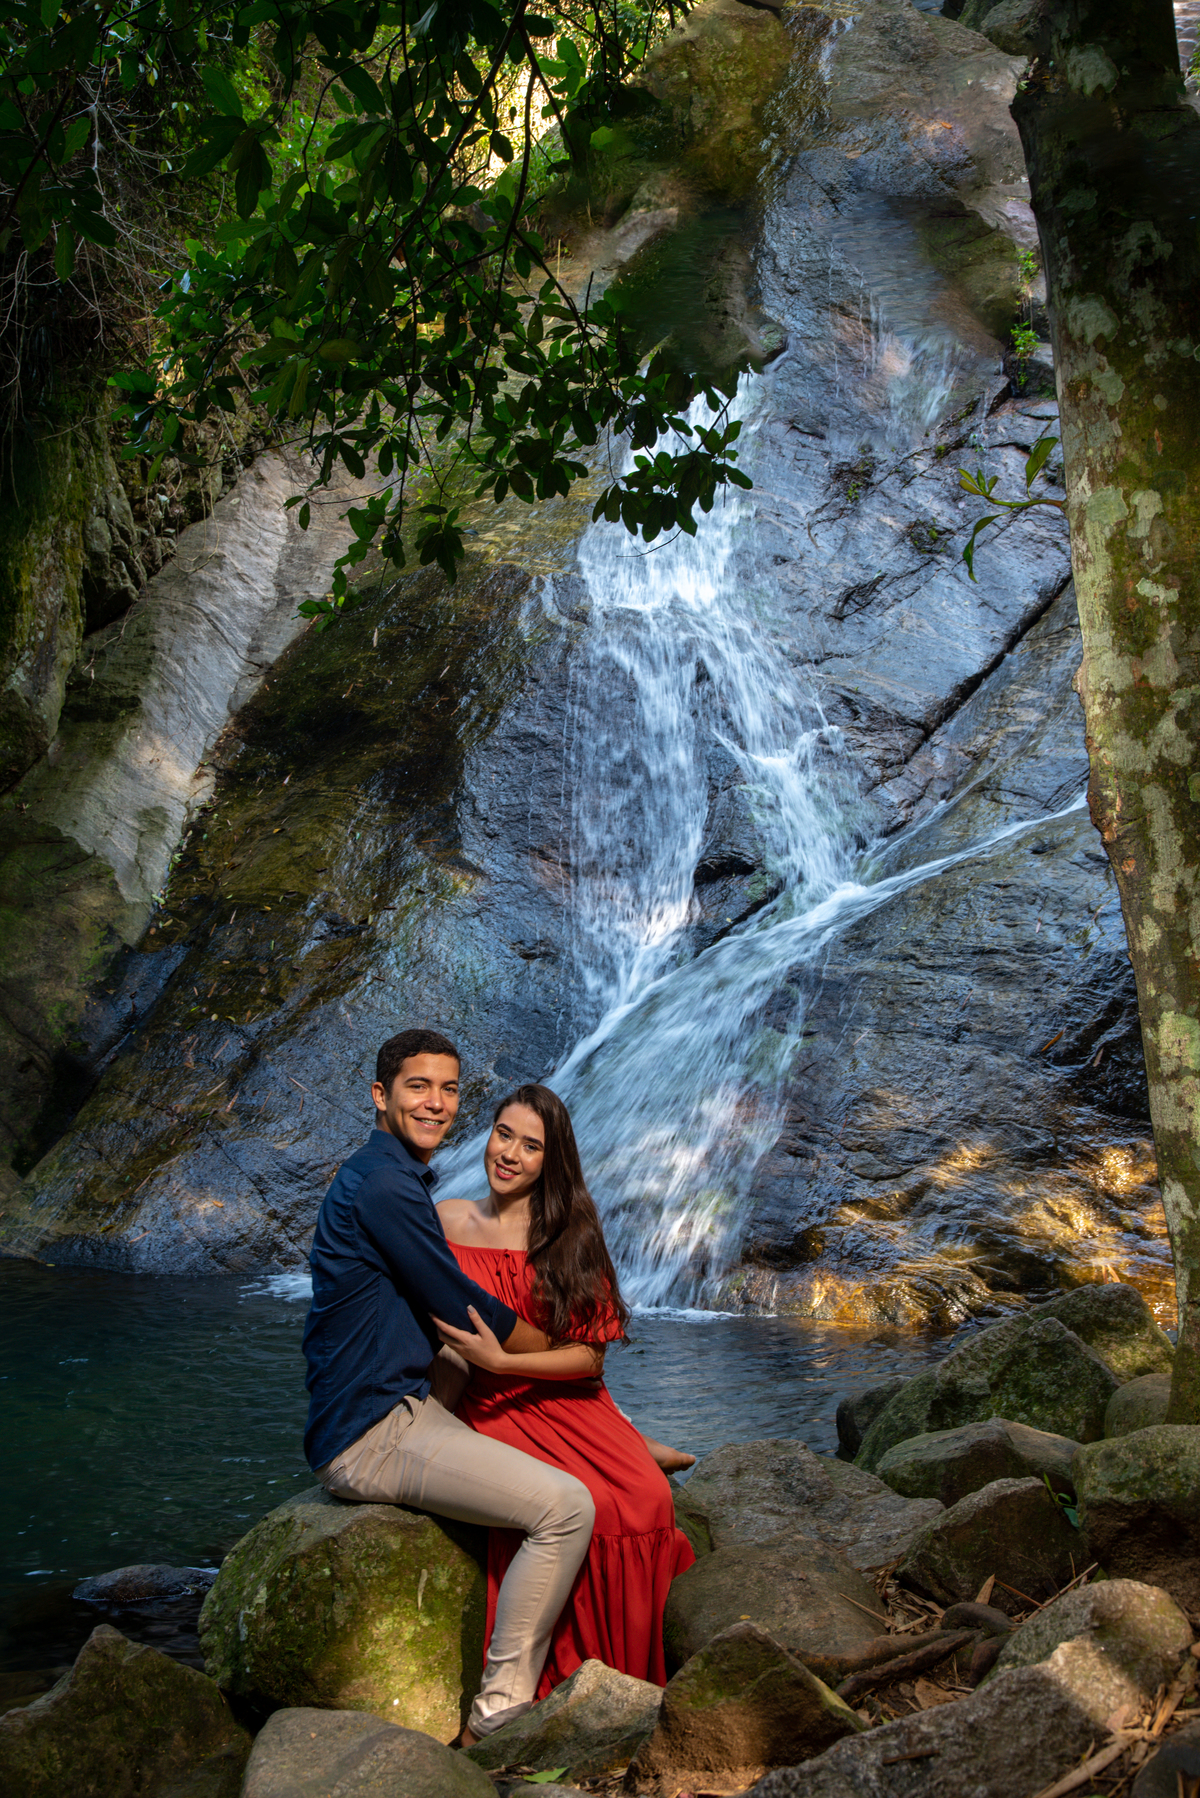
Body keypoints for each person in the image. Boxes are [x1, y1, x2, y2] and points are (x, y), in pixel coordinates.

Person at [301, 1028, 596, 1747]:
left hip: (391, 1406)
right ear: (381, 1095)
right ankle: (499, 1716)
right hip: (375, 1432)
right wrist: (561, 1347)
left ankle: (625, 1441)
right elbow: (464, 1307)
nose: (436, 1103)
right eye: (417, 1086)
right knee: (566, 1508)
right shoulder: (384, 1186)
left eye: (450, 1089)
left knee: (504, 1401)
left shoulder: (388, 1175)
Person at [434, 1083, 696, 1694]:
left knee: (647, 1502)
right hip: (490, 1405)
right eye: (504, 1135)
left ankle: (625, 1682)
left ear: (550, 1163)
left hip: (560, 1395)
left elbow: (589, 1357)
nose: (510, 1155)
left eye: (531, 1147)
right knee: (588, 1507)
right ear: (488, 1135)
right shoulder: (445, 1219)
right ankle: (569, 1678)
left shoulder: (568, 1238)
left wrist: (502, 1361)